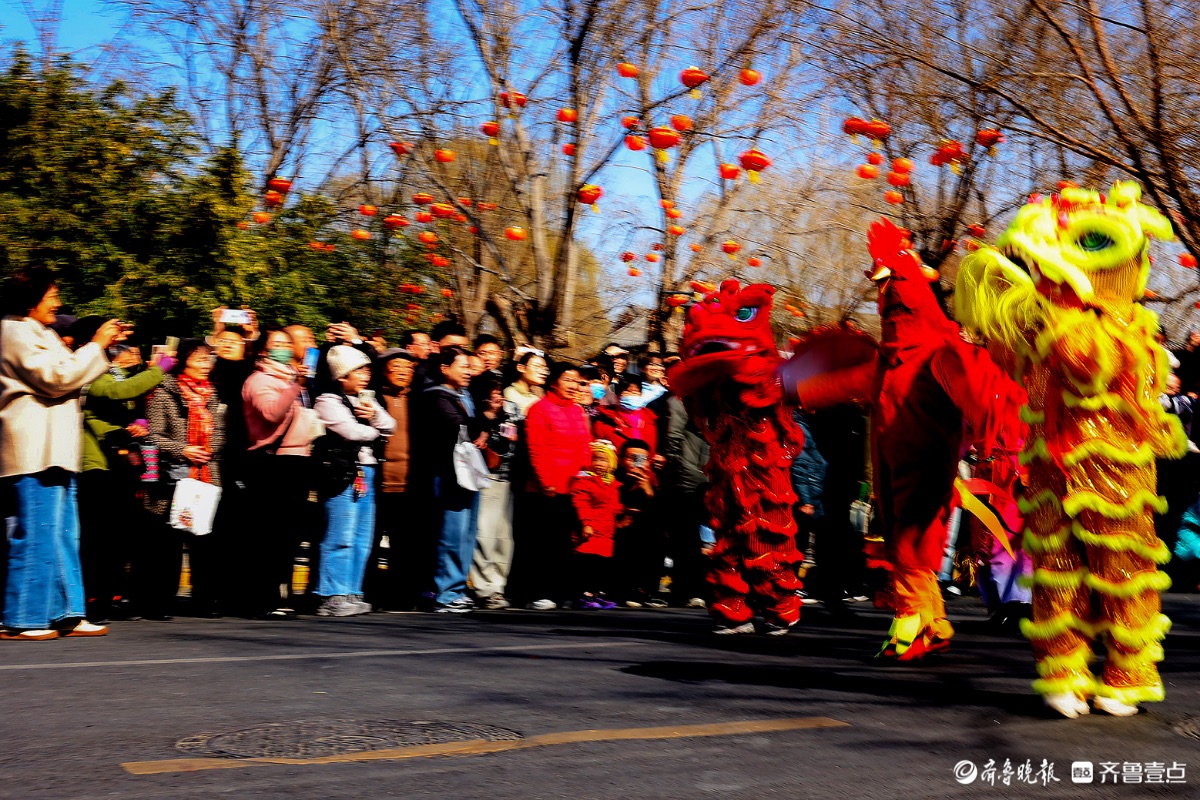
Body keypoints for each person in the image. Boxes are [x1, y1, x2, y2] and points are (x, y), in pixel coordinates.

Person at [1, 267, 123, 640]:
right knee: (38, 533)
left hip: (54, 446)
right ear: (31, 298)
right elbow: (57, 379)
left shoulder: (41, 332)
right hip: (35, 447)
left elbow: (70, 375)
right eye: (52, 295)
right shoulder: (14, 331)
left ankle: (65, 613)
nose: (57, 302)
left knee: (64, 534)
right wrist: (96, 345)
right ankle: (23, 618)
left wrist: (100, 348)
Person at [79, 335, 168, 622]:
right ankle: (94, 599)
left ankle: (112, 596)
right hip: (97, 465)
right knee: (99, 536)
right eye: (131, 351)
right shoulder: (96, 375)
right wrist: (158, 370)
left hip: (118, 464)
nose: (136, 356)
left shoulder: (125, 376)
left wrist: (138, 422)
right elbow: (118, 392)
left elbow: (130, 396)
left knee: (118, 536)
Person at [139, 339, 226, 621]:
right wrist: (183, 449)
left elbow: (220, 430)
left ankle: (205, 599)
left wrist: (210, 449)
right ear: (184, 362)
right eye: (199, 359)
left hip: (205, 473)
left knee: (203, 537)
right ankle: (159, 602)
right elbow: (153, 435)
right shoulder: (164, 392)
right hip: (173, 476)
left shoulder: (211, 392)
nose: (206, 365)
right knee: (168, 540)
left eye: (208, 359)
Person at [313, 346, 395, 616]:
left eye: (367, 370)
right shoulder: (327, 400)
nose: (365, 375)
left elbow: (391, 425)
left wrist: (373, 416)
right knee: (340, 535)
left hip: (367, 471)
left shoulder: (366, 399)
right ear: (342, 375)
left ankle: (352, 590)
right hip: (342, 472)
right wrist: (376, 431)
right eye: (358, 371)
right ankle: (331, 595)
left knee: (362, 537)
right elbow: (350, 432)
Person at [242, 328, 317, 619]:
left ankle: (280, 595)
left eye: (287, 343)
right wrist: (295, 386)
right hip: (274, 463)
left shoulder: (291, 379)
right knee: (271, 534)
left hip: (298, 459)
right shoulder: (260, 380)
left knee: (289, 534)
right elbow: (272, 413)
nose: (284, 347)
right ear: (263, 350)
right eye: (277, 344)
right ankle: (264, 598)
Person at [509, 362, 591, 609]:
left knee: (564, 542)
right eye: (568, 380)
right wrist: (546, 482)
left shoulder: (577, 410)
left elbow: (585, 445)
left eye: (576, 381)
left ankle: (562, 592)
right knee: (540, 542)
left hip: (572, 486)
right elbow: (537, 449)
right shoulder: (539, 409)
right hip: (545, 488)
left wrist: (585, 476)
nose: (573, 385)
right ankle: (536, 592)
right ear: (553, 382)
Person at [421, 347, 485, 613]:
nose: (469, 372)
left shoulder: (465, 396)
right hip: (449, 473)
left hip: (469, 473)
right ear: (445, 368)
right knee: (452, 534)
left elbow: (477, 426)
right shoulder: (436, 396)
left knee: (467, 535)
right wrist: (482, 425)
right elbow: (459, 426)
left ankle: (457, 588)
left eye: (470, 367)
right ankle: (445, 592)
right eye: (463, 366)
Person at [368, 349, 423, 610]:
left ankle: (400, 596)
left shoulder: (420, 400)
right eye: (397, 367)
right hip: (378, 483)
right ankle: (369, 594)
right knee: (370, 542)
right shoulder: (373, 397)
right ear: (384, 370)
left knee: (406, 545)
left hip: (410, 484)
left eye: (408, 368)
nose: (403, 372)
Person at [468, 372, 518, 609]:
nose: (498, 397)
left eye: (500, 391)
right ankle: (484, 588)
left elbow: (513, 445)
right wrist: (488, 422)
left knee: (503, 539)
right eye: (493, 392)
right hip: (487, 479)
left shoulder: (510, 414)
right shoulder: (476, 418)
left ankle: (498, 586)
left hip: (509, 480)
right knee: (485, 535)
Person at [613, 438, 667, 608]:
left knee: (655, 535)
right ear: (621, 460)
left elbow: (663, 517)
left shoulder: (655, 483)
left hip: (645, 534)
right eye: (632, 458)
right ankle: (626, 590)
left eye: (642, 459)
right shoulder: (612, 479)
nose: (637, 463)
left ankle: (649, 591)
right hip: (616, 533)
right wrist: (619, 523)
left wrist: (648, 491)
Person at [569, 440, 621, 608]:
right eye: (595, 459)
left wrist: (622, 514)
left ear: (611, 463)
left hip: (606, 533)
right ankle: (583, 595)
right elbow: (581, 503)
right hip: (591, 531)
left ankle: (596, 593)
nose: (599, 463)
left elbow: (613, 505)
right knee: (587, 564)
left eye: (603, 460)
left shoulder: (612, 483)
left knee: (600, 565)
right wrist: (586, 523)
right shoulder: (585, 480)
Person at [593, 373, 659, 460]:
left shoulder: (649, 418)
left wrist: (642, 462)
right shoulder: (606, 419)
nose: (631, 395)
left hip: (642, 464)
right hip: (616, 465)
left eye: (635, 392)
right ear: (618, 395)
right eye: (627, 392)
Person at [504, 351, 548, 418]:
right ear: (521, 368)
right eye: (536, 366)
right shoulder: (510, 393)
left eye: (545, 369)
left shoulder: (537, 396)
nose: (543, 372)